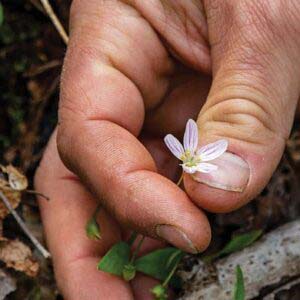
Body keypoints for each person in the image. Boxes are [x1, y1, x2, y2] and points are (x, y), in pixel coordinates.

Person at [34, 0, 300, 299]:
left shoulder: (195, 157)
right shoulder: (184, 153)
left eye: (191, 156)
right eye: (188, 156)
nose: (190, 158)